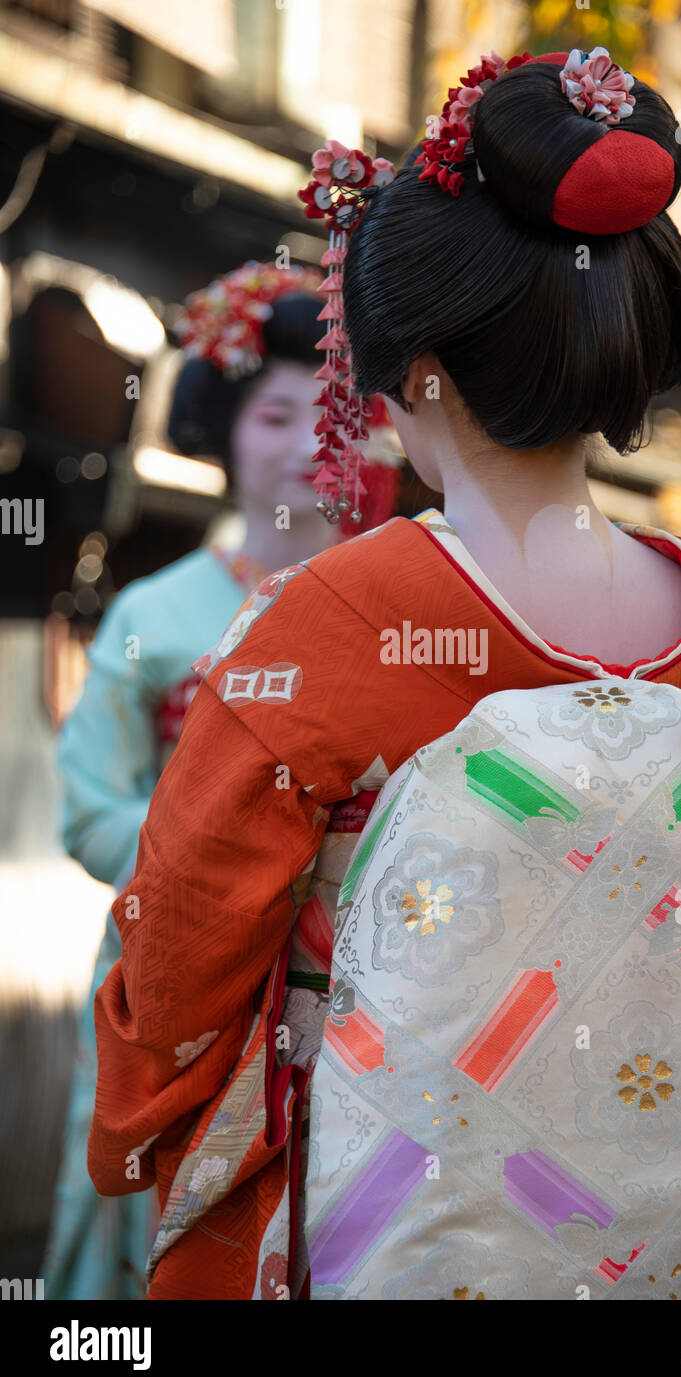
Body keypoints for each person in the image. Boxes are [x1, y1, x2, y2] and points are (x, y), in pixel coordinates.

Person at [87, 50, 681, 1300]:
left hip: (401, 1211)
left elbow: (183, 958)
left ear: (411, 371)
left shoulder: (329, 623)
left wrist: (134, 1113)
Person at [43, 262, 402, 1299]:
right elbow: (90, 803)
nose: (303, 443)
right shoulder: (153, 611)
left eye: (329, 415)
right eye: (275, 414)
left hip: (361, 965)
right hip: (175, 956)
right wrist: (211, 883)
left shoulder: (403, 599)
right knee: (149, 1198)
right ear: (223, 430)